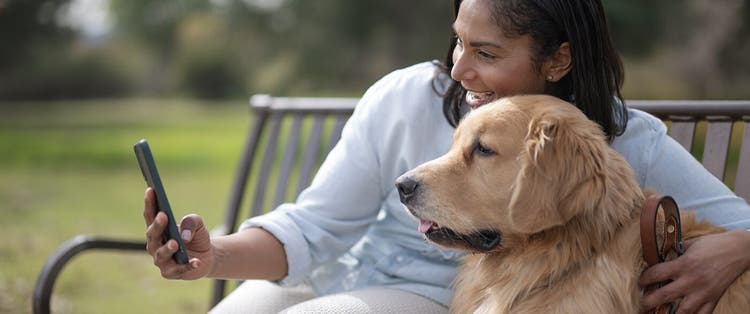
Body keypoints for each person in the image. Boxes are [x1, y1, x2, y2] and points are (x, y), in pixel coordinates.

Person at [144, 0, 750, 313]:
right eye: (458, 40)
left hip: (434, 298)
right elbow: (315, 226)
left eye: (486, 52)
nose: (459, 69)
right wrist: (210, 256)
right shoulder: (407, 96)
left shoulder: (617, 141)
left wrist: (736, 248)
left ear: (558, 61)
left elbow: (740, 221)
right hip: (335, 273)